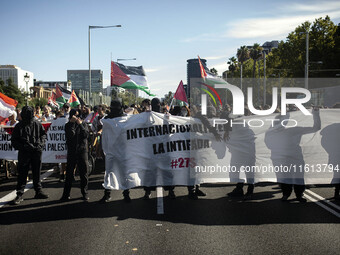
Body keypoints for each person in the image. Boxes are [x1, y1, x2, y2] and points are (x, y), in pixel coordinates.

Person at [11, 106, 49, 205]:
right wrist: (23, 146)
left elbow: (43, 135)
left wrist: (40, 144)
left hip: (36, 152)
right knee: (22, 173)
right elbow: (14, 141)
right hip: (24, 153)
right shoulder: (19, 126)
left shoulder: (37, 124)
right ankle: (19, 194)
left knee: (37, 172)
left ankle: (38, 191)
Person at [101, 100, 131, 203]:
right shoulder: (108, 120)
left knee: (120, 173)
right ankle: (109, 194)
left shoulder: (110, 120)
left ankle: (125, 194)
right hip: (115, 151)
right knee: (109, 173)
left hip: (118, 151)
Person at [60, 109, 90, 201]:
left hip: (82, 151)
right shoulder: (67, 125)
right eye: (74, 116)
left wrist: (80, 124)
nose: (76, 118)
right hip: (72, 151)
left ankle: (84, 193)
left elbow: (85, 135)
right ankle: (66, 194)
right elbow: (70, 135)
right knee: (69, 174)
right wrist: (72, 123)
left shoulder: (84, 124)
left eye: (77, 116)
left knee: (84, 173)